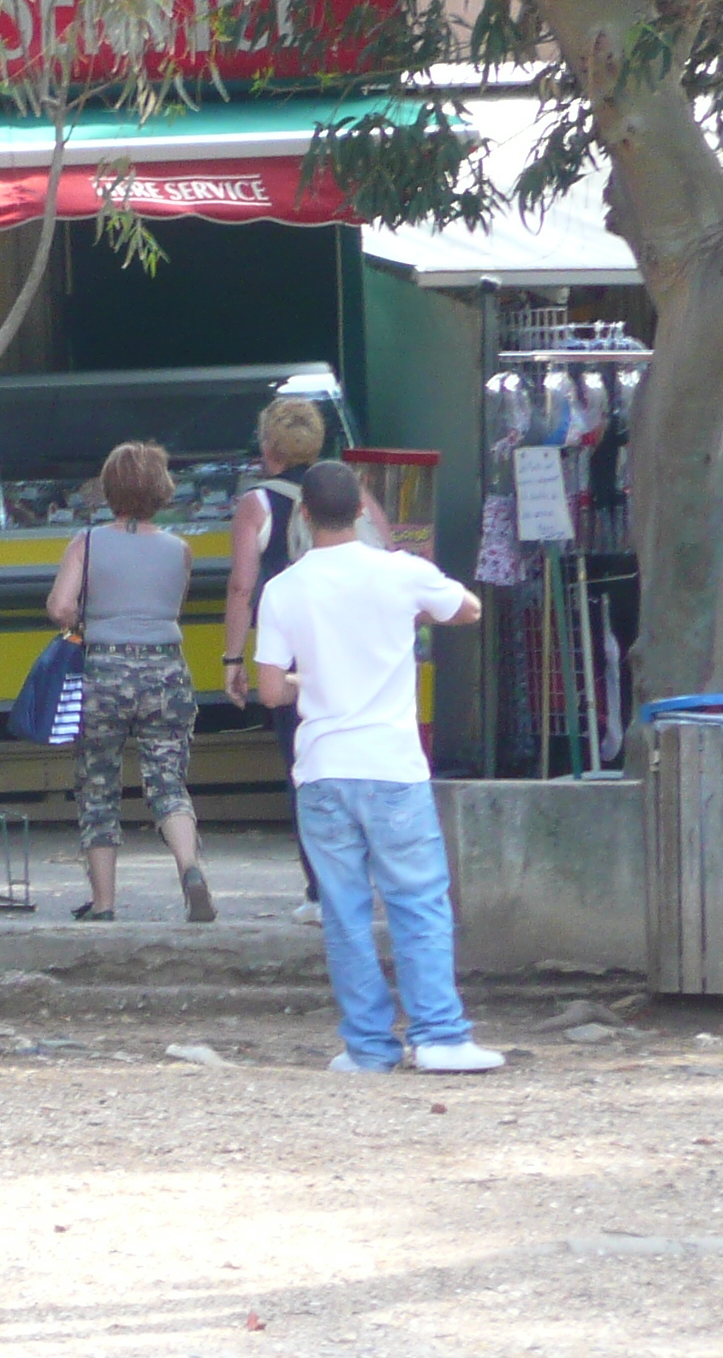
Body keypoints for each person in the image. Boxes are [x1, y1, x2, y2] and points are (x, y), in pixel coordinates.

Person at [255, 459, 505, 1074]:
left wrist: (307, 678)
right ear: (365, 510)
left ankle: (368, 1048)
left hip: (322, 771)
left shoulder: (283, 589)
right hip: (393, 768)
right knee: (418, 901)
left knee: (344, 911)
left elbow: (268, 691)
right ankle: (441, 1037)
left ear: (304, 515)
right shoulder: (401, 573)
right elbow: (468, 608)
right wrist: (411, 614)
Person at [45, 441, 214, 924]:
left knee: (98, 785)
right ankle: (190, 869)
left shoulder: (88, 543)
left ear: (108, 488)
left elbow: (59, 606)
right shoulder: (179, 550)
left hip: (104, 671)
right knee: (168, 782)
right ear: (162, 490)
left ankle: (104, 903)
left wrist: (81, 613)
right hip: (166, 670)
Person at [223, 396, 332, 922]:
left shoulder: (258, 504)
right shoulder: (346, 493)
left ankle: (321, 889)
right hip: (350, 651)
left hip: (289, 659)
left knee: (302, 765)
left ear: (270, 449)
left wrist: (232, 657)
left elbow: (243, 584)